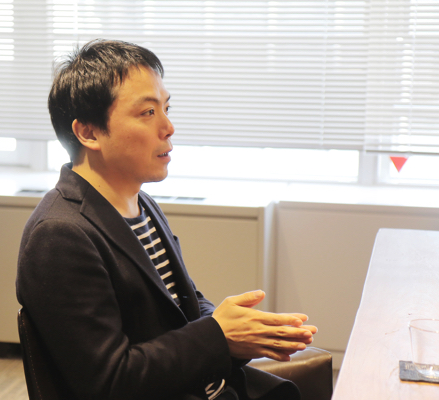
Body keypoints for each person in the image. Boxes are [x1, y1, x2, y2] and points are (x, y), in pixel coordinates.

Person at [16, 39, 317, 400]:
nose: (168, 127)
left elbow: (180, 304)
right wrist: (219, 336)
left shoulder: (140, 202)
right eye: (147, 112)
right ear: (89, 132)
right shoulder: (59, 235)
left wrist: (237, 326)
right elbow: (110, 382)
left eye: (166, 108)